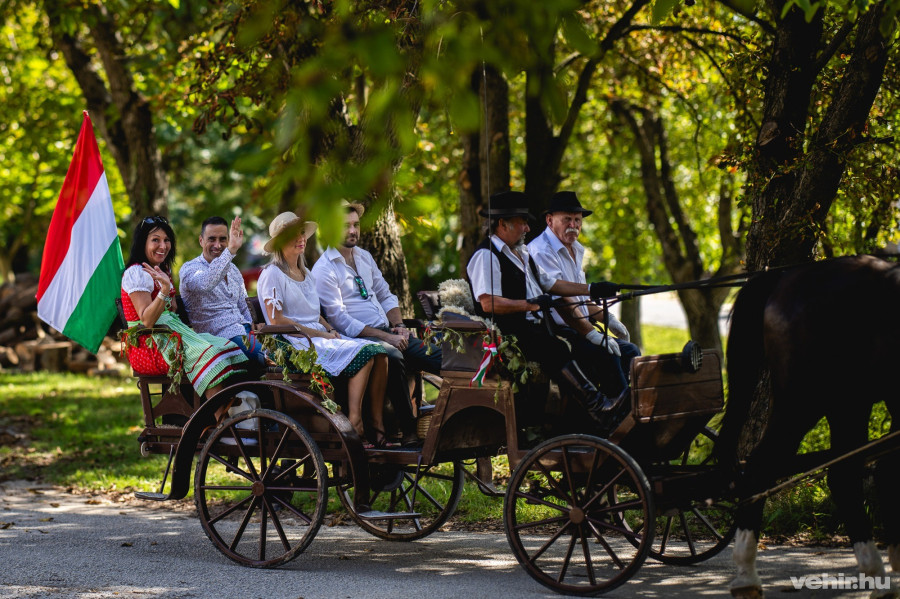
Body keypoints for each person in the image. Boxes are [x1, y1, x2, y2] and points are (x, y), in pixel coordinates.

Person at [466, 191, 626, 433]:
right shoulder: (486, 255)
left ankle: (595, 414)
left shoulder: (521, 253)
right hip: (508, 331)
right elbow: (488, 303)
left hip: (534, 326)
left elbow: (551, 284)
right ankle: (597, 407)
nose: (528, 229)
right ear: (502, 224)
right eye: (523, 222)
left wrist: (591, 289)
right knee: (555, 347)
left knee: (573, 344)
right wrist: (528, 305)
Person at [256, 211, 393, 448]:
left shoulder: (305, 273)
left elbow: (313, 311)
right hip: (293, 341)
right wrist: (321, 333)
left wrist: (329, 327)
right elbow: (276, 321)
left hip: (316, 336)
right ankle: (354, 423)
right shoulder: (272, 274)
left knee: (379, 352)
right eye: (292, 235)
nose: (301, 238)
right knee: (367, 354)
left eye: (301, 233)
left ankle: (377, 427)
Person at [311, 200, 440, 446]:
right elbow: (340, 320)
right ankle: (408, 430)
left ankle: (458, 410)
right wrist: (386, 337)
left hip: (386, 331)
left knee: (434, 355)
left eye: (355, 225)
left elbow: (385, 294)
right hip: (358, 339)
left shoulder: (364, 256)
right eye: (345, 226)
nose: (352, 231)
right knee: (393, 354)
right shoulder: (324, 269)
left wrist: (399, 325)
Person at [120, 215, 249, 398]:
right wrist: (165, 291)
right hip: (151, 345)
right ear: (143, 243)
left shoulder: (161, 270)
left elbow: (170, 308)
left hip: (171, 334)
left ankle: (229, 411)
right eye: (155, 240)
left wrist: (168, 296)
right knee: (210, 354)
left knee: (226, 347)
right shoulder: (136, 273)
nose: (163, 246)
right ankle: (220, 419)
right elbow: (147, 320)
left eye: (166, 240)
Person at [527, 191, 641, 396]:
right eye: (567, 219)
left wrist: (609, 320)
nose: (573, 225)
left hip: (576, 327)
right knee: (608, 354)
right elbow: (562, 299)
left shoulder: (575, 248)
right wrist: (591, 333)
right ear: (550, 220)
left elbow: (582, 300)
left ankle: (626, 408)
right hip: (556, 333)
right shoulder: (541, 250)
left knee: (631, 351)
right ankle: (613, 416)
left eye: (577, 220)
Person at [179, 215, 265, 367]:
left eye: (222, 239)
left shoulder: (233, 270)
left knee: (284, 349)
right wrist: (231, 251)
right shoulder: (189, 269)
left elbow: (243, 303)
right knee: (264, 357)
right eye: (212, 239)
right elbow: (206, 283)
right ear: (201, 241)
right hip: (217, 338)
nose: (217, 245)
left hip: (243, 332)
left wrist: (254, 326)